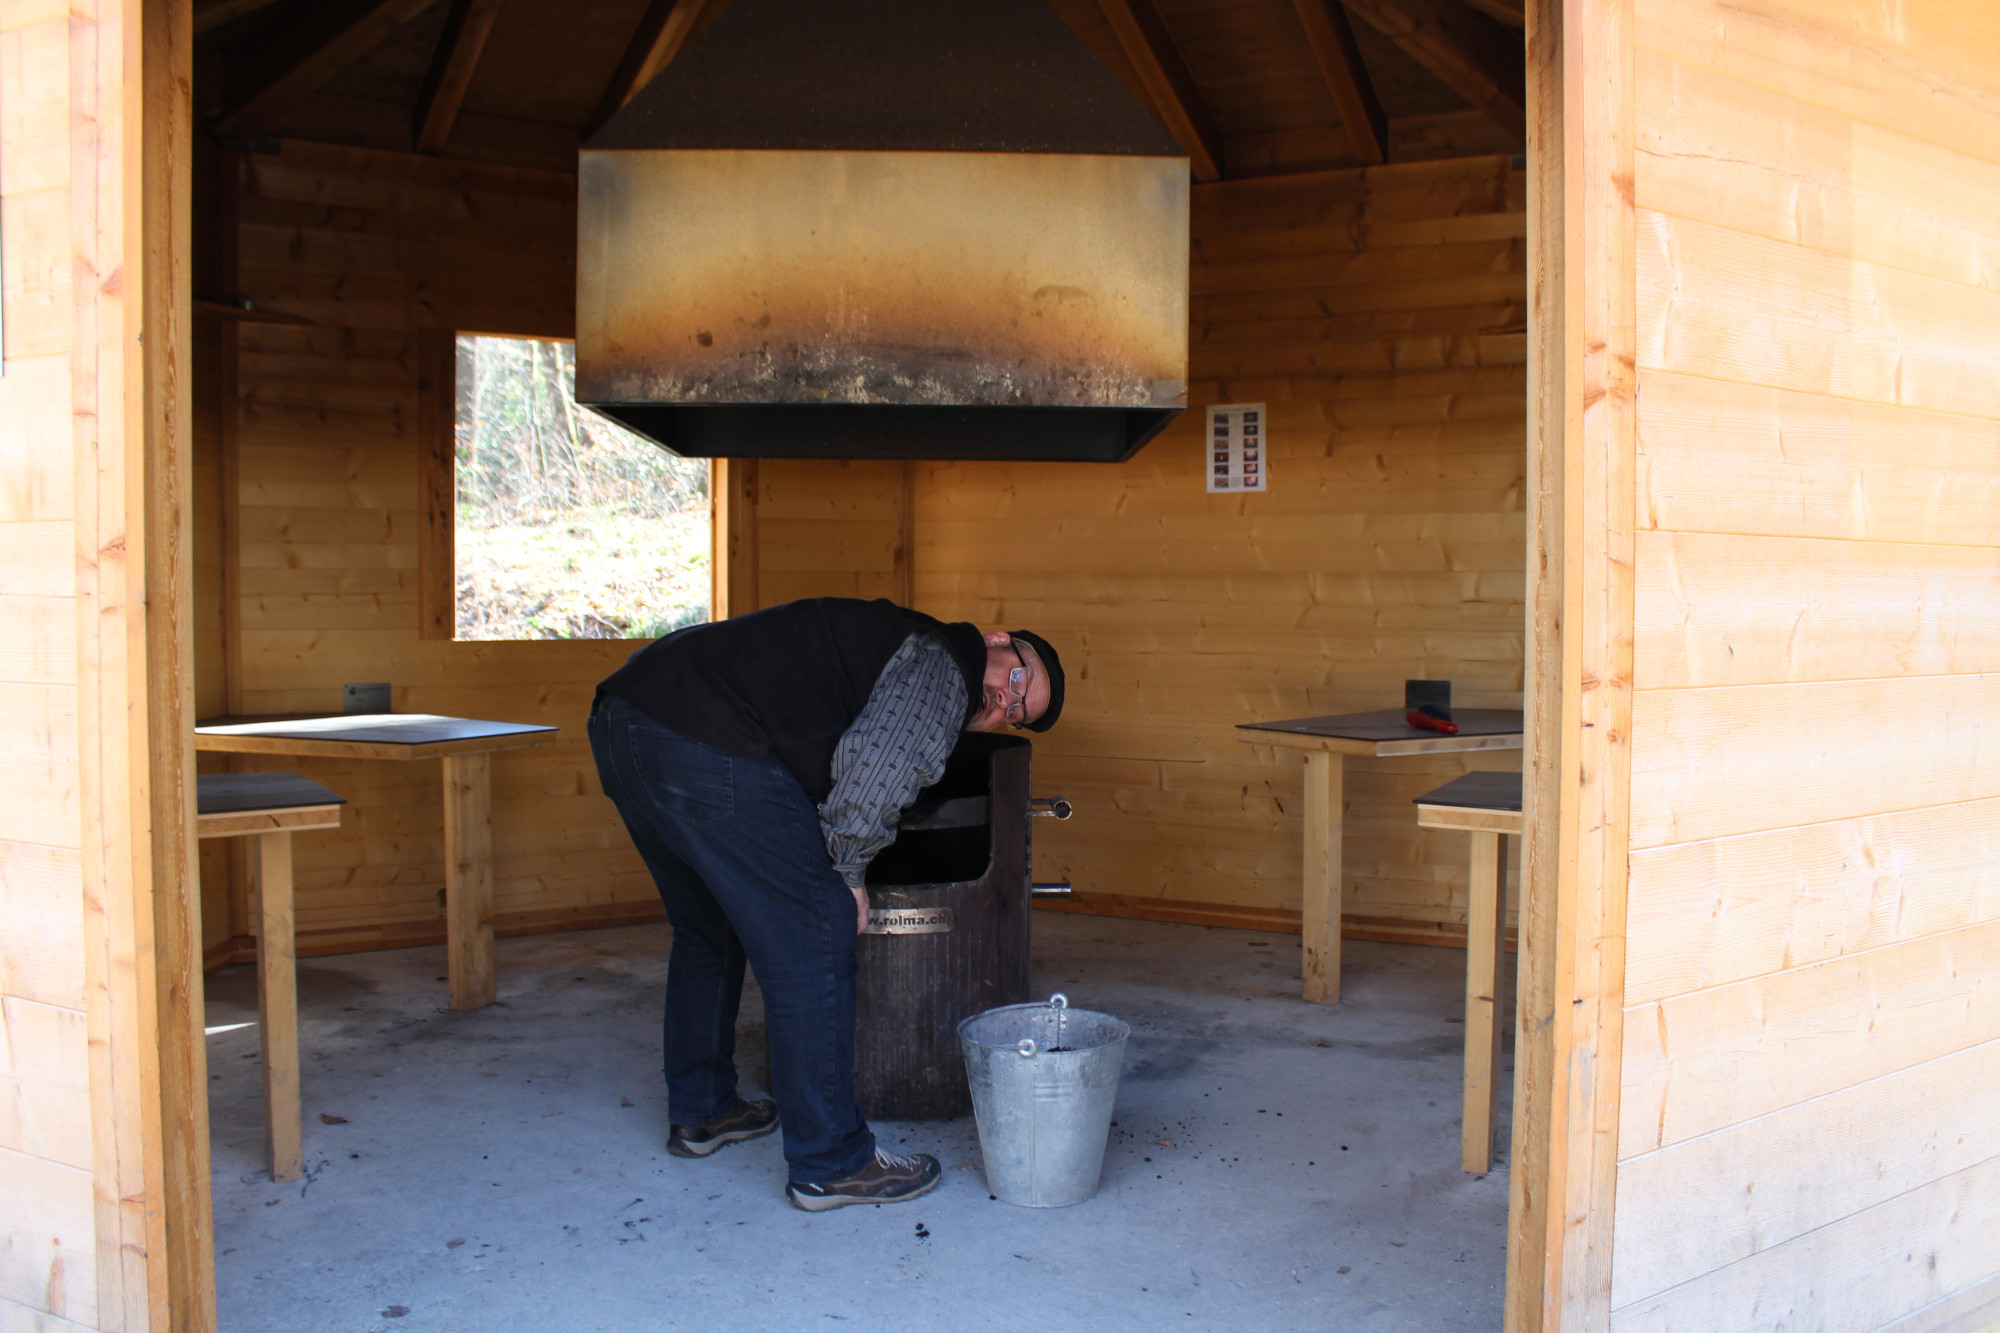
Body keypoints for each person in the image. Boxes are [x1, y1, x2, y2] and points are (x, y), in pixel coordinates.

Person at [586, 596, 1065, 1211]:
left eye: (1017, 713)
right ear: (997, 641)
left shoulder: (893, 645)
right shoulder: (947, 662)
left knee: (709, 927)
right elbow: (876, 771)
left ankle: (704, 1110)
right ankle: (832, 1162)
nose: (1003, 702)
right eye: (1018, 681)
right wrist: (848, 873)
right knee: (818, 934)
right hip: (709, 736)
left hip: (627, 720)